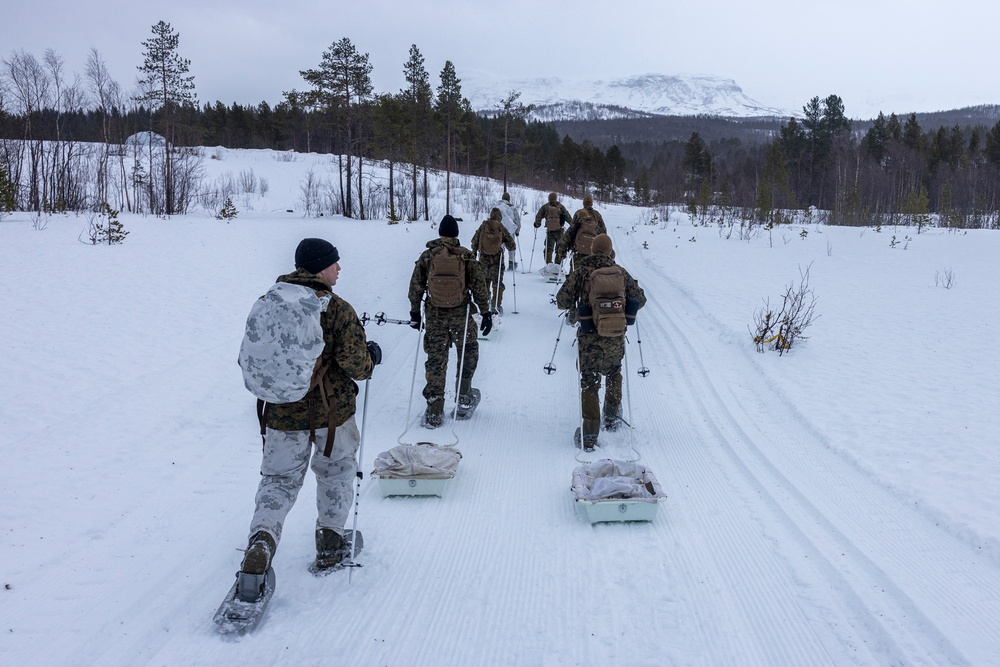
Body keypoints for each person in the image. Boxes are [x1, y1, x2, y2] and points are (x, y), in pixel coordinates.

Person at [240, 238, 381, 583]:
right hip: (331, 416)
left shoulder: (269, 301)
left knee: (278, 481)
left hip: (280, 414)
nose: (339, 268)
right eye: (335, 263)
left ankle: (262, 541)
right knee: (335, 474)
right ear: (320, 267)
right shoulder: (335, 308)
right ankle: (330, 543)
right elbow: (358, 367)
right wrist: (372, 356)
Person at [556, 234, 645, 451]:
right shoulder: (620, 272)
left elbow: (561, 301)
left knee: (589, 380)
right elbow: (640, 299)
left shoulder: (582, 271)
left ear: (593, 250)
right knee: (614, 372)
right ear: (610, 251)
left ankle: (589, 433)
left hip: (589, 338)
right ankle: (612, 417)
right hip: (615, 336)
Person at [408, 215, 492, 428]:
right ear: (456, 234)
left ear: (440, 233)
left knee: (436, 360)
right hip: (461, 315)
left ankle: (435, 410)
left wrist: (415, 313)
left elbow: (415, 286)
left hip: (435, 316)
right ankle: (464, 398)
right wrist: (486, 312)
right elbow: (479, 287)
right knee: (468, 351)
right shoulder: (466, 257)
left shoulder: (428, 256)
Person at [471, 207, 516, 314]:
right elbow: (512, 245)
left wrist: (474, 253)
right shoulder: (501, 227)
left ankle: (485, 303)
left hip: (483, 259)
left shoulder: (483, 226)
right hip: (497, 259)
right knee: (497, 283)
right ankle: (496, 305)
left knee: (484, 281)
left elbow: (474, 241)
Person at [556, 194, 607, 272]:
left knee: (574, 275)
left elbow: (571, 231)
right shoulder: (597, 215)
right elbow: (604, 234)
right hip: (593, 253)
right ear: (591, 203)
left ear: (583, 203)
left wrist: (562, 251)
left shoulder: (578, 213)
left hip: (578, 251)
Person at [533, 192, 572, 266]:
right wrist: (572, 225)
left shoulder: (545, 206)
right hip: (559, 231)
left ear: (549, 198)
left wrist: (537, 224)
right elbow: (568, 216)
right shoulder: (560, 206)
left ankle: (549, 264)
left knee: (549, 248)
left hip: (550, 231)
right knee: (559, 248)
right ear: (556, 198)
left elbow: (539, 215)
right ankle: (557, 264)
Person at [494, 191, 522, 270]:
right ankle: (511, 264)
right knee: (511, 247)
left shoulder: (497, 206)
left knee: (500, 247)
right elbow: (517, 220)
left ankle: (499, 264)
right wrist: (517, 231)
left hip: (498, 230)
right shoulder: (512, 208)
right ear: (509, 199)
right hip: (510, 231)